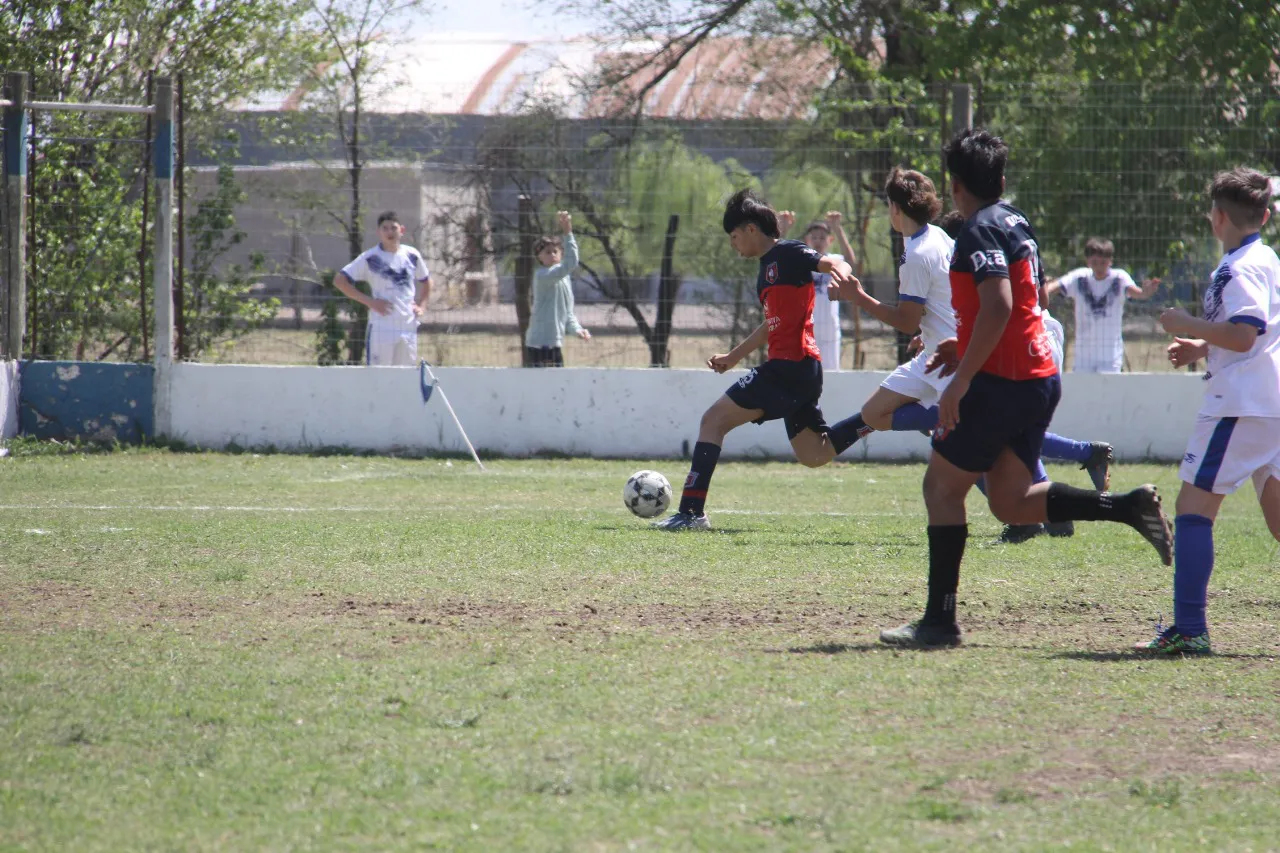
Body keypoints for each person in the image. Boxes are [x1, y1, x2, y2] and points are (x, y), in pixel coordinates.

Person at [878, 128, 1173, 649]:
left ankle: (939, 622)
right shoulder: (1016, 221)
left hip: (999, 381)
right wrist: (961, 346)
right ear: (1002, 179)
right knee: (1013, 502)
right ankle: (1126, 506)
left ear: (954, 186)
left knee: (941, 488)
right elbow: (1016, 301)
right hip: (1037, 376)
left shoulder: (976, 232)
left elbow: (999, 305)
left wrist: (962, 378)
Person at [824, 169, 1113, 544]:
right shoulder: (940, 237)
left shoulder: (916, 253)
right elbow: (945, 301)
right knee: (878, 415)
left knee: (988, 438)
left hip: (952, 357)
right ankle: (1074, 468)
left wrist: (857, 297)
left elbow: (906, 318)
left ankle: (1047, 510)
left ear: (894, 209)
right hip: (941, 350)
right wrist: (930, 335)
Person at [1134, 167, 1280, 655]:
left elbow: (1244, 334)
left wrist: (1188, 322)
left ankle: (1191, 630)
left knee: (1192, 509)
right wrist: (1201, 345)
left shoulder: (1238, 268)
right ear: (1262, 216)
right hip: (1269, 401)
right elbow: (1256, 332)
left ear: (1217, 218)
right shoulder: (1264, 258)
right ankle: (1190, 628)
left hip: (1242, 405)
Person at [652, 189, 855, 531]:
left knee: (713, 420)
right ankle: (877, 417)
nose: (733, 245)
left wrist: (841, 270)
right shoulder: (767, 268)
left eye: (733, 237)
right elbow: (770, 324)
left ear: (750, 229)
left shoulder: (788, 252)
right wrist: (734, 357)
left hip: (789, 368)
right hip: (801, 369)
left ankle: (690, 513)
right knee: (814, 454)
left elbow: (830, 261)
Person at [1046, 237, 1161, 373]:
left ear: (1110, 261)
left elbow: (1137, 293)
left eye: (1103, 262)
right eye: (1095, 262)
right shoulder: (1079, 278)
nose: (1099, 267)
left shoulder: (1119, 278)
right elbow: (1053, 288)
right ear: (1088, 261)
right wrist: (1042, 288)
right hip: (1083, 357)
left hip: (1110, 358)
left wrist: (1145, 292)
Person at [332, 211, 431, 366]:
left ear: (402, 230)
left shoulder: (412, 255)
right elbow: (340, 281)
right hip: (382, 326)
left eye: (394, 228)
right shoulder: (370, 258)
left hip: (407, 326)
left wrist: (422, 306)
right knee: (379, 376)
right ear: (379, 232)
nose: (390, 232)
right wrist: (371, 303)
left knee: (404, 378)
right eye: (385, 228)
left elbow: (426, 281)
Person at [777, 211, 852, 370]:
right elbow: (777, 256)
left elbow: (851, 261)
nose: (818, 241)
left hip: (830, 331)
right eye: (814, 237)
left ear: (830, 240)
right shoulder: (801, 261)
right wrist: (783, 229)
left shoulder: (835, 261)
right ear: (807, 240)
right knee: (805, 374)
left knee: (831, 374)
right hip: (806, 329)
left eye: (823, 237)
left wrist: (837, 228)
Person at [526, 211, 591, 367]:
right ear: (539, 257)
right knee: (544, 388)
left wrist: (577, 330)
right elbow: (571, 263)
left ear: (561, 254)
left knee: (556, 386)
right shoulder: (543, 276)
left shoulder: (564, 278)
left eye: (556, 251)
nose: (552, 255)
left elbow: (567, 313)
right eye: (547, 252)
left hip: (554, 343)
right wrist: (568, 232)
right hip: (540, 344)